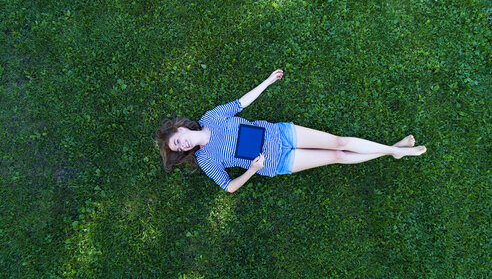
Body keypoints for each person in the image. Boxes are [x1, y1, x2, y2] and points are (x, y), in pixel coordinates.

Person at [155, 69, 426, 193]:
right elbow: (228, 187)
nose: (182, 144)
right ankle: (396, 150)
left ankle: (394, 150)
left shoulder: (210, 117)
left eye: (178, 140)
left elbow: (241, 103)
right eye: (179, 148)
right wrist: (252, 169)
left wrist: (268, 81)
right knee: (339, 156)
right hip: (276, 161)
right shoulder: (205, 159)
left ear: (180, 128)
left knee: (339, 142)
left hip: (281, 134)